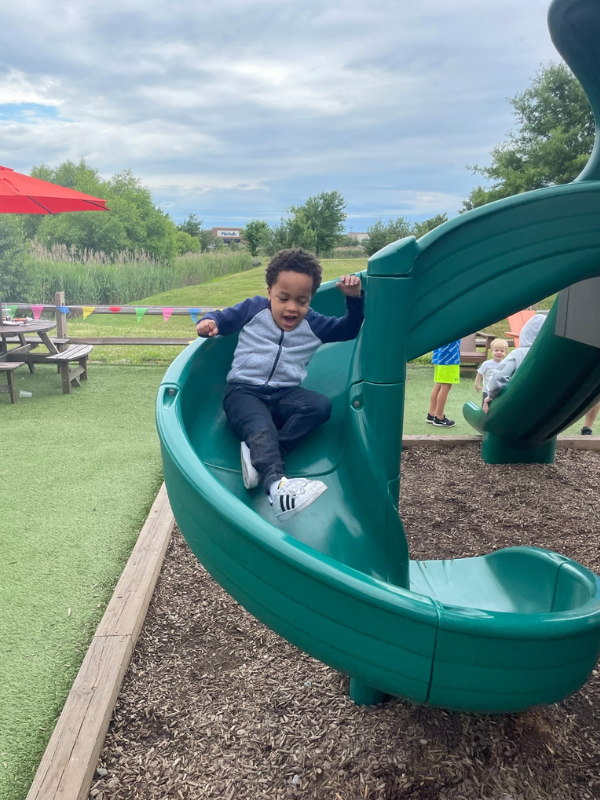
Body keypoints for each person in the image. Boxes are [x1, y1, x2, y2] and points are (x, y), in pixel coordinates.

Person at [196, 248, 364, 520]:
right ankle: (277, 487)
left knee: (319, 406)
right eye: (283, 298)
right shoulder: (254, 309)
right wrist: (209, 322)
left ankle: (260, 456)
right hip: (243, 392)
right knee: (260, 426)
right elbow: (223, 318)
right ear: (270, 292)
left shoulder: (313, 324)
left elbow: (349, 329)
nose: (291, 308)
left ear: (311, 299)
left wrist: (355, 301)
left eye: (302, 301)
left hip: (285, 395)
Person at [483, 314, 546, 413]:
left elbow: (499, 377)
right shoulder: (548, 354)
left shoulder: (518, 354)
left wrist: (491, 396)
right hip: (544, 404)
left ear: (524, 333)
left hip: (517, 404)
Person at [426, 340, 460, 427]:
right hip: (449, 357)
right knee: (446, 386)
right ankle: (439, 418)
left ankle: (432, 413)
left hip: (439, 355)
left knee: (438, 384)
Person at [475, 338, 509, 406]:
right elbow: (479, 374)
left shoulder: (506, 364)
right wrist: (476, 384)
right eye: (496, 350)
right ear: (491, 351)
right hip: (487, 391)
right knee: (486, 406)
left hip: (499, 391)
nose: (499, 353)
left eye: (502, 351)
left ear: (505, 352)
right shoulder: (487, 364)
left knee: (497, 407)